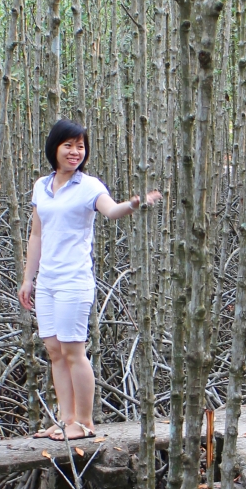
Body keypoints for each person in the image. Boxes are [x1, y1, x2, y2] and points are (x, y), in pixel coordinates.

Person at [18, 120, 162, 440]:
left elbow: (111, 211)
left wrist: (136, 203)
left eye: (80, 146)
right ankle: (65, 419)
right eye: (68, 145)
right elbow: (36, 234)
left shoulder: (89, 186)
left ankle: (83, 422)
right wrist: (29, 279)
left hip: (74, 280)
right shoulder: (41, 185)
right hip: (49, 282)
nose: (75, 152)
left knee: (74, 351)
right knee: (54, 350)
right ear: (54, 147)